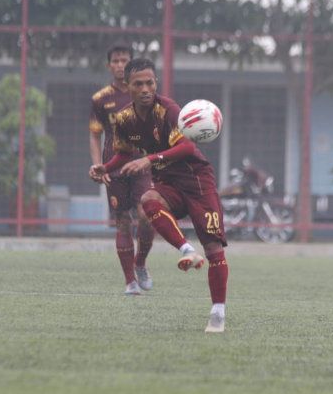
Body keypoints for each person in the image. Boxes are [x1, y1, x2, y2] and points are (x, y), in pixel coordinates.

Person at [89, 58, 229, 333]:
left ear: (156, 83)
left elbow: (188, 148)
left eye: (150, 82)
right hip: (168, 182)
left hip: (198, 182)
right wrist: (105, 167)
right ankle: (187, 250)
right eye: (138, 83)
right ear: (126, 86)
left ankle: (218, 313)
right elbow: (125, 153)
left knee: (214, 249)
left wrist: (149, 160)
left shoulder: (168, 110)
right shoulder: (125, 119)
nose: (145, 88)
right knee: (148, 202)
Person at [89, 44, 156, 296]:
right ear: (109, 65)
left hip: (142, 164)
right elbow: (95, 135)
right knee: (123, 222)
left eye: (124, 60)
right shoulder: (100, 99)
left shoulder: (143, 92)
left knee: (147, 215)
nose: (119, 65)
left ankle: (140, 263)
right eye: (115, 61)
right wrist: (99, 166)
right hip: (114, 166)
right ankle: (130, 281)